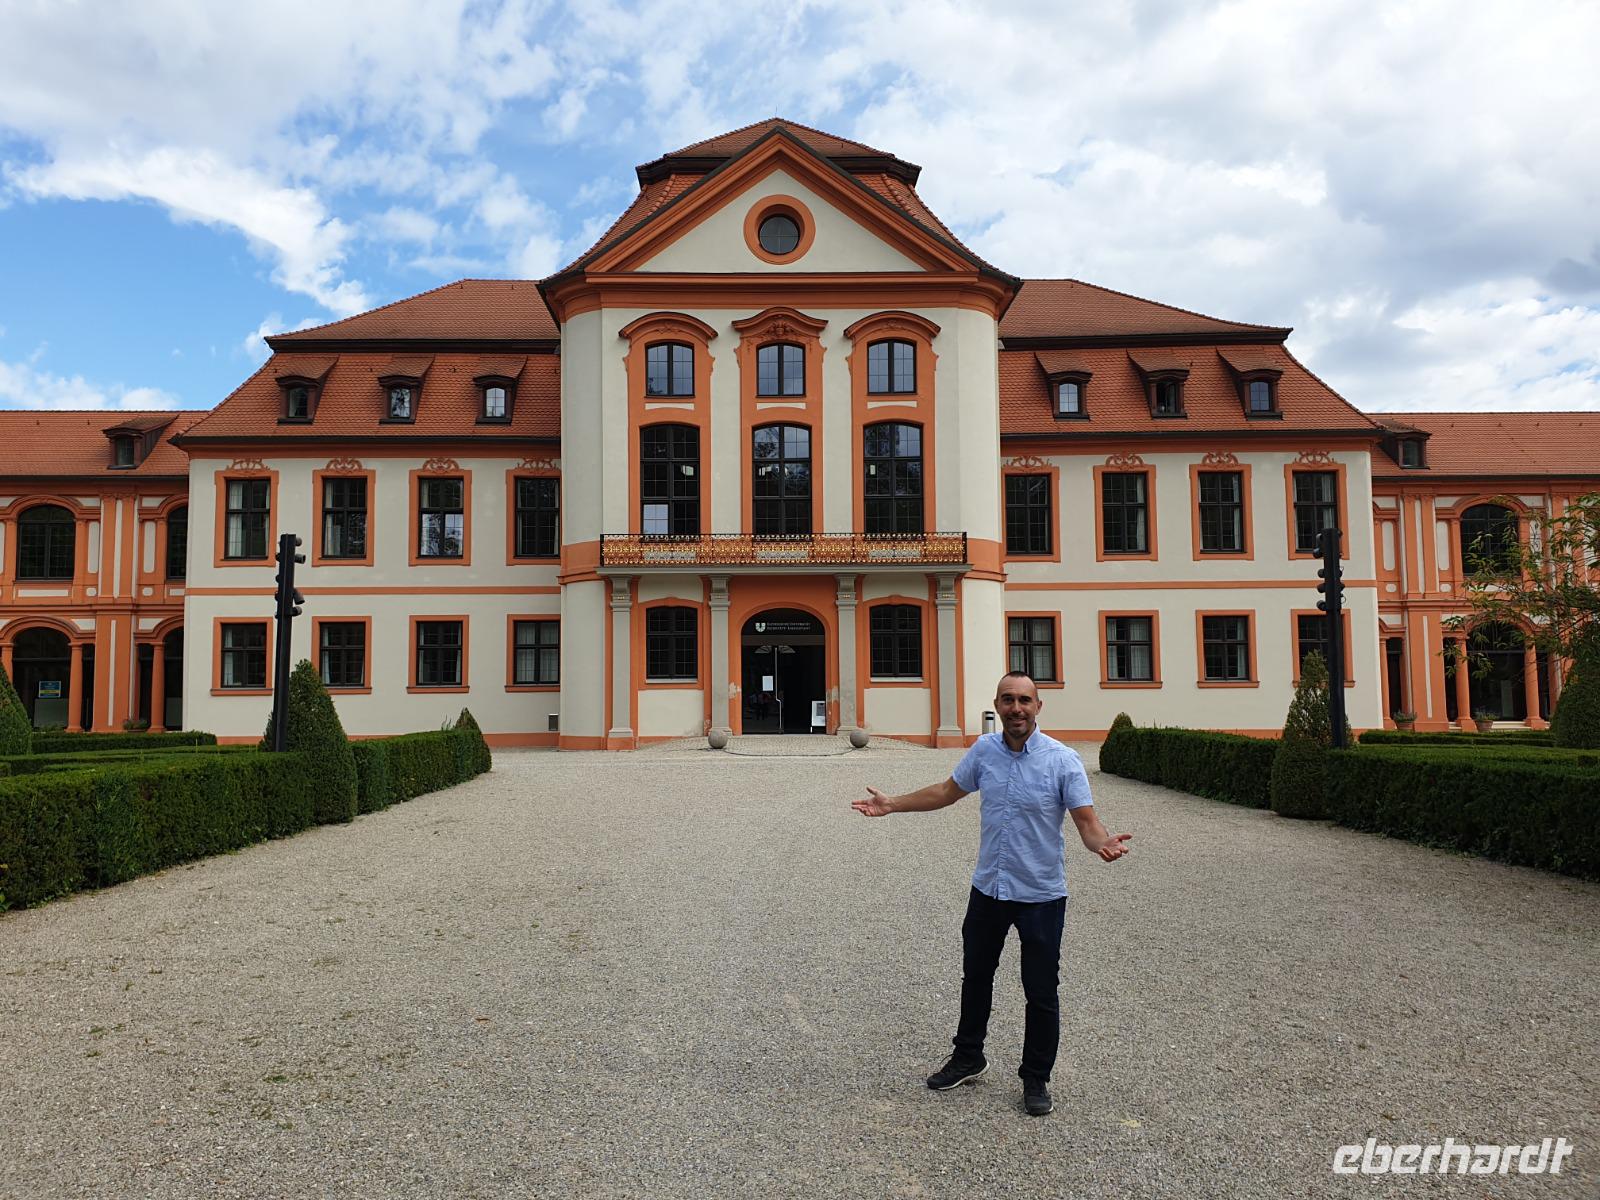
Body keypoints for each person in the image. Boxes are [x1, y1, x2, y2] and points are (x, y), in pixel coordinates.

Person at [851, 671, 1131, 1116]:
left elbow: (1086, 822)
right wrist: (893, 804)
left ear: (1039, 707)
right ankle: (969, 1057)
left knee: (1040, 990)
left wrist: (1103, 844)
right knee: (976, 977)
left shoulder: (1063, 761)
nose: (1016, 708)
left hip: (1040, 894)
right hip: (989, 889)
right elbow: (947, 792)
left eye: (1024, 700)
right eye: (1007, 700)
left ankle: (1036, 1077)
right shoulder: (984, 751)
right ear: (997, 706)